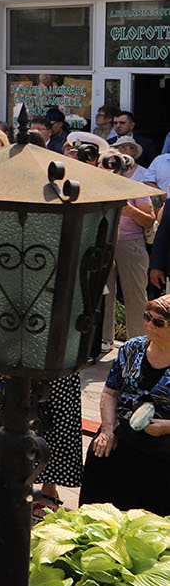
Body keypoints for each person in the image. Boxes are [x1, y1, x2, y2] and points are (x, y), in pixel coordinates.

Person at [80, 294, 170, 515]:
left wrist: (167, 426)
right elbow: (110, 392)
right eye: (147, 317)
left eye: (158, 322)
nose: (149, 325)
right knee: (101, 453)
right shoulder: (132, 348)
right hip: (124, 428)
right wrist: (108, 430)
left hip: (163, 438)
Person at [109, 143, 158, 340]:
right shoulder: (95, 185)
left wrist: (127, 208)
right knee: (104, 296)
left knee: (135, 296)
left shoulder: (135, 188)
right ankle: (104, 341)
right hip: (103, 244)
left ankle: (138, 342)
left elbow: (149, 220)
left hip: (131, 244)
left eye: (113, 164)